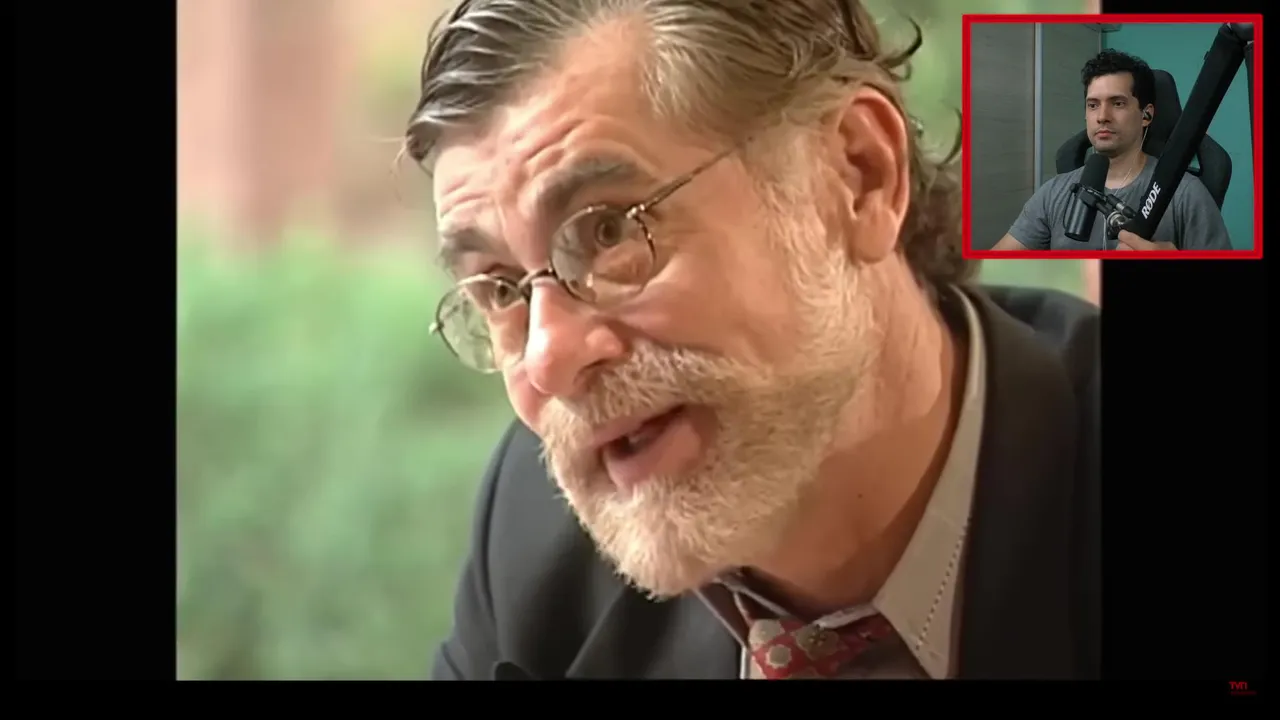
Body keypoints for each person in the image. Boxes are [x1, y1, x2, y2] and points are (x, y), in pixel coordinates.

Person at [406, 0, 1100, 680]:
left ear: (857, 176)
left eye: (609, 231)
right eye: (501, 290)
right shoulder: (535, 537)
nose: (548, 360)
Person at [991, 49, 1234, 252]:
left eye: (1117, 103)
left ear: (1146, 115)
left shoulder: (1186, 193)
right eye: (1093, 105)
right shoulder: (1052, 193)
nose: (1102, 117)